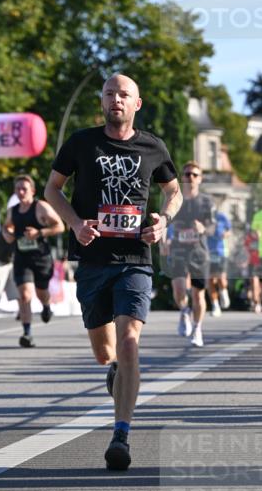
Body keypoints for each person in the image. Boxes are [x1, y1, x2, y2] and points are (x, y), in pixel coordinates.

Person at [45, 72, 182, 470]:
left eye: (124, 94)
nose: (116, 99)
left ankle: (121, 433)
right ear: (102, 102)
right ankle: (116, 375)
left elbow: (173, 192)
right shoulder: (81, 143)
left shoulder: (152, 146)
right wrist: (74, 223)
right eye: (110, 94)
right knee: (106, 353)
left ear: (136, 104)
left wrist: (163, 221)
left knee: (129, 344)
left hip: (135, 259)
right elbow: (52, 189)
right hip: (92, 260)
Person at [3, 174, 64, 348]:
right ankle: (27, 333)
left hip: (41, 258)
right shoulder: (13, 210)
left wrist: (39, 233)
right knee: (24, 295)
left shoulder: (41, 207)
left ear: (32, 191)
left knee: (41, 293)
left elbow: (60, 226)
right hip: (22, 258)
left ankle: (46, 306)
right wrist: (7, 233)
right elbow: (6, 226)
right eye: (17, 189)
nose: (21, 192)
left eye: (24, 189)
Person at [165, 162, 214, 348]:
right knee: (178, 289)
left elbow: (213, 226)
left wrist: (203, 228)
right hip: (178, 249)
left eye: (194, 175)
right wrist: (164, 240)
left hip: (199, 252)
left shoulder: (206, 202)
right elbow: (165, 220)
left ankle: (197, 328)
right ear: (182, 178)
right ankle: (184, 311)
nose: (190, 178)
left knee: (198, 294)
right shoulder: (176, 199)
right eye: (187, 174)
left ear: (200, 179)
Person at [207, 200, 231, 317]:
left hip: (221, 251)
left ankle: (223, 291)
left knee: (221, 278)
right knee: (210, 280)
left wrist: (225, 235)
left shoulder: (222, 217)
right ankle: (215, 305)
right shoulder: (203, 219)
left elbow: (229, 231)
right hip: (207, 252)